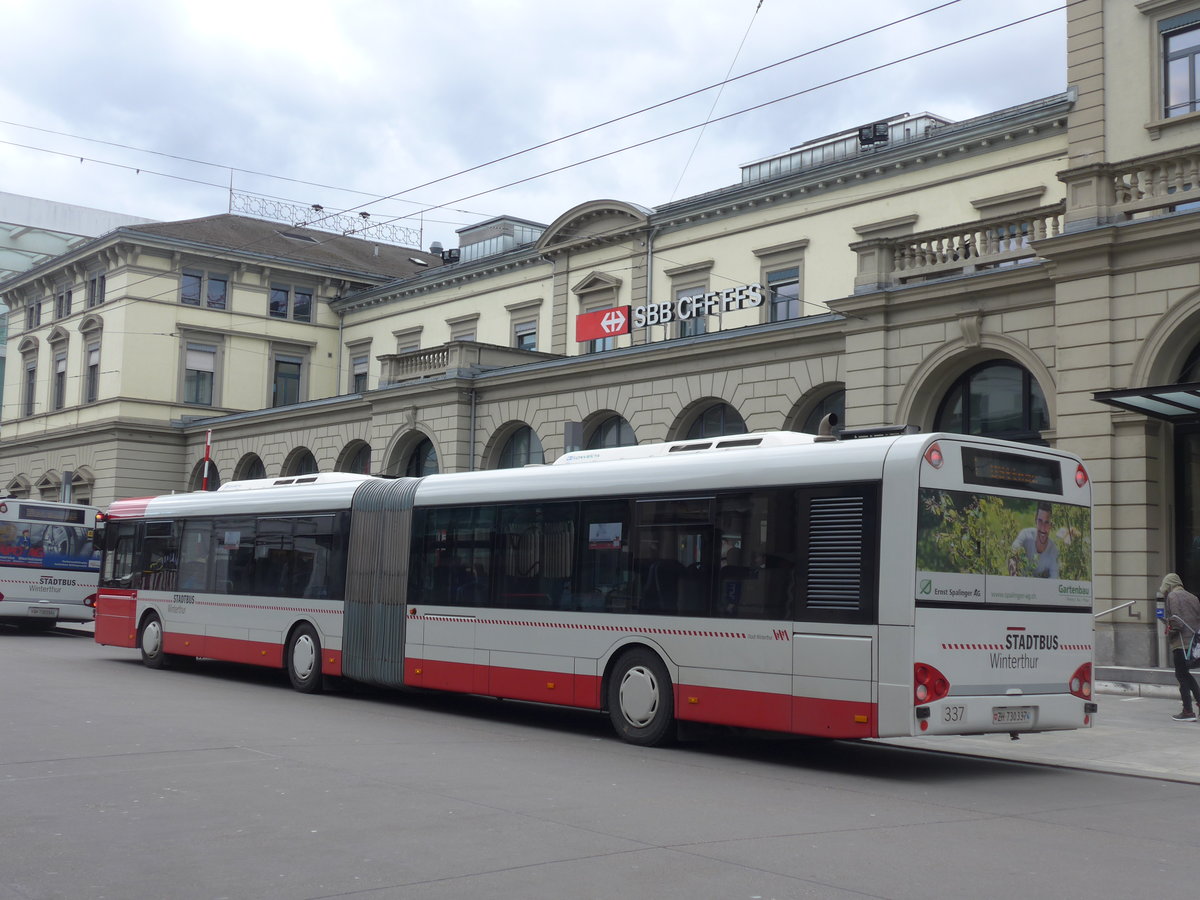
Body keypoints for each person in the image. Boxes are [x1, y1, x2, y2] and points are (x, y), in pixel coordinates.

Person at [1160, 573, 1200, 722]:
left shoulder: (1172, 597)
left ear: (1169, 584)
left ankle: (1187, 711)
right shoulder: (1193, 597)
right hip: (1194, 644)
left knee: (1181, 676)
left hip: (1181, 643)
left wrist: (1169, 628)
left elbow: (1176, 621)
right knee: (1186, 674)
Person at [1008, 501, 1059, 578]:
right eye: (1040, 521)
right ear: (1035, 521)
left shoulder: (1053, 551)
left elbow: (1054, 579)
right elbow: (1012, 554)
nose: (1042, 527)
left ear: (1051, 525)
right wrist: (1014, 578)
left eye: (1046, 522)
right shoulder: (1025, 535)